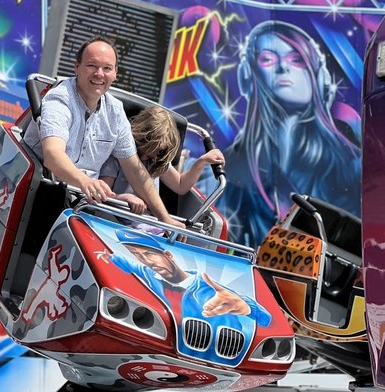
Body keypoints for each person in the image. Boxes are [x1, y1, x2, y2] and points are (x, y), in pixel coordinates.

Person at [23, 36, 184, 230]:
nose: (99, 74)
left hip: (87, 203)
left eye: (107, 68)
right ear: (76, 67)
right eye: (92, 66)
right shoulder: (60, 99)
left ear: (115, 73)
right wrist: (86, 182)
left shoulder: (115, 111)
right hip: (44, 187)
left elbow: (135, 170)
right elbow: (53, 156)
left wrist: (164, 218)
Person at [224, 21, 361, 248]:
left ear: (319, 77)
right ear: (249, 75)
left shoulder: (352, 165)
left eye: (296, 59)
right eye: (268, 59)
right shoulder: (231, 164)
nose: (282, 68)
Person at [101, 228, 271, 364]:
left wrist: (246, 305)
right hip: (173, 356)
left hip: (217, 358)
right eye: (139, 256)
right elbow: (129, 264)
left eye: (150, 254)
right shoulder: (150, 274)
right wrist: (108, 256)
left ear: (168, 255)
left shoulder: (210, 285)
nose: (148, 261)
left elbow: (266, 319)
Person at [99, 106, 225, 218]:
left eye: (157, 152)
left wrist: (201, 162)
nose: (147, 157)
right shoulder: (117, 158)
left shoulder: (157, 161)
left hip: (147, 225)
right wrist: (125, 198)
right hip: (113, 220)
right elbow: (104, 195)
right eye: (144, 147)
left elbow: (180, 185)